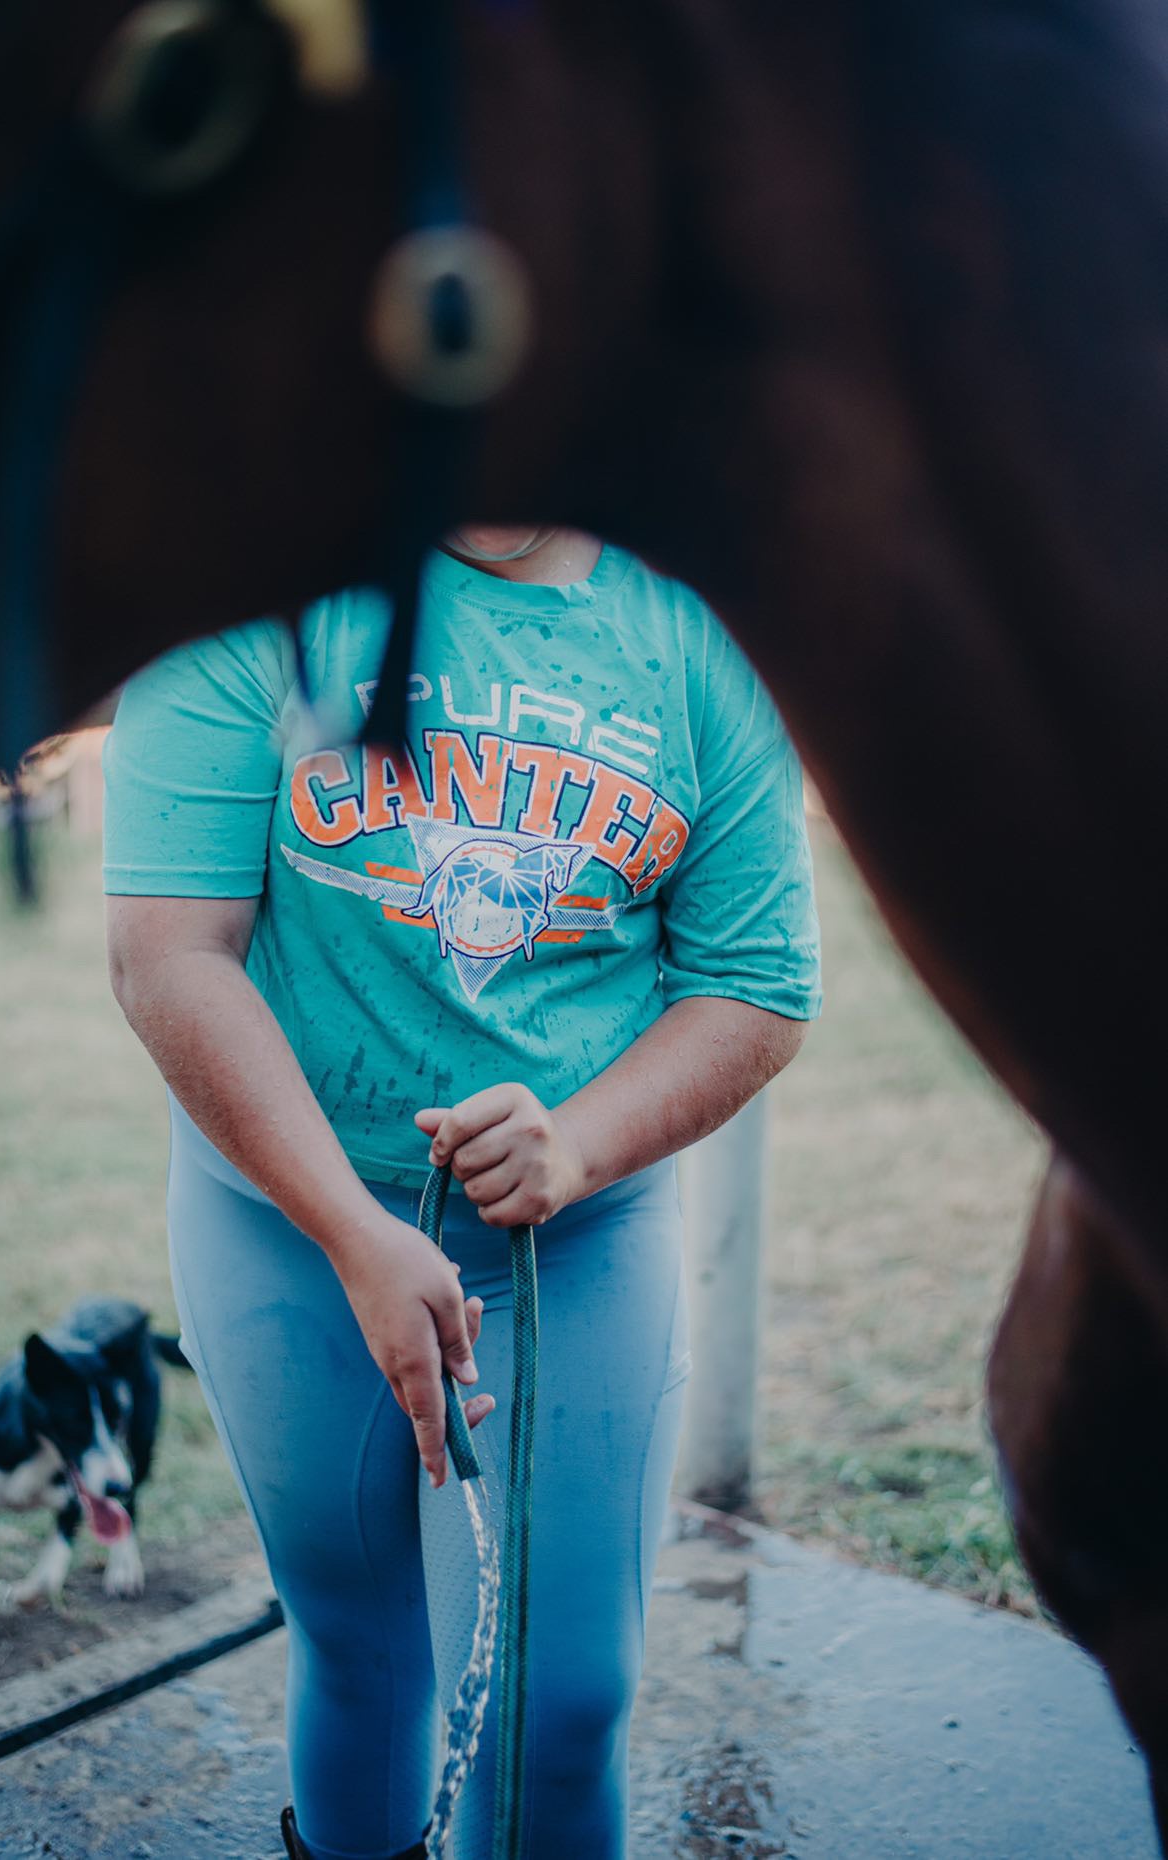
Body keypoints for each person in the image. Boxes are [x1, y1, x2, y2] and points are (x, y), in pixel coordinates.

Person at [102, 526, 821, 1860]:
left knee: (557, 1711)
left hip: (573, 1249)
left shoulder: (693, 627)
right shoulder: (250, 577)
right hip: (288, 1233)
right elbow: (169, 954)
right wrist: (352, 1233)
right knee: (360, 1650)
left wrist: (582, 1145)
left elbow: (757, 983)